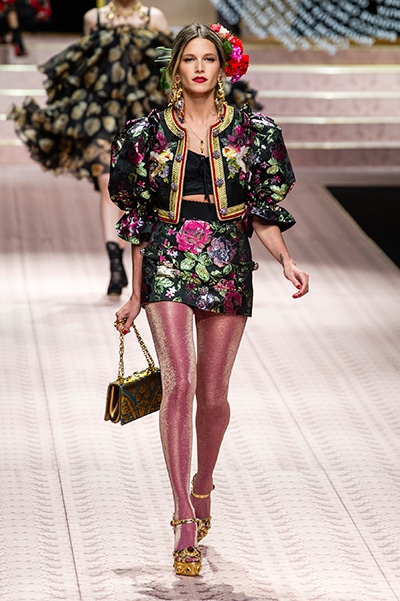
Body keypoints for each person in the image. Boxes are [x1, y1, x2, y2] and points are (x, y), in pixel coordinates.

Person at [110, 22, 309, 577]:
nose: (199, 67)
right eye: (190, 58)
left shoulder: (253, 133)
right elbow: (139, 220)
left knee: (214, 396)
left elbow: (262, 212)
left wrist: (286, 260)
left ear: (223, 68)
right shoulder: (146, 135)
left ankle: (203, 483)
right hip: (167, 260)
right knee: (180, 383)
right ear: (175, 67)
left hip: (226, 260)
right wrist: (135, 293)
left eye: (209, 59)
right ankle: (182, 516)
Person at [7, 0, 172, 296]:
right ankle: (114, 263)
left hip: (142, 114)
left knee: (139, 188)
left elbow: (167, 74)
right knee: (106, 182)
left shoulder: (154, 18)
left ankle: (138, 261)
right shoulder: (94, 18)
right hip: (101, 115)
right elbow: (85, 66)